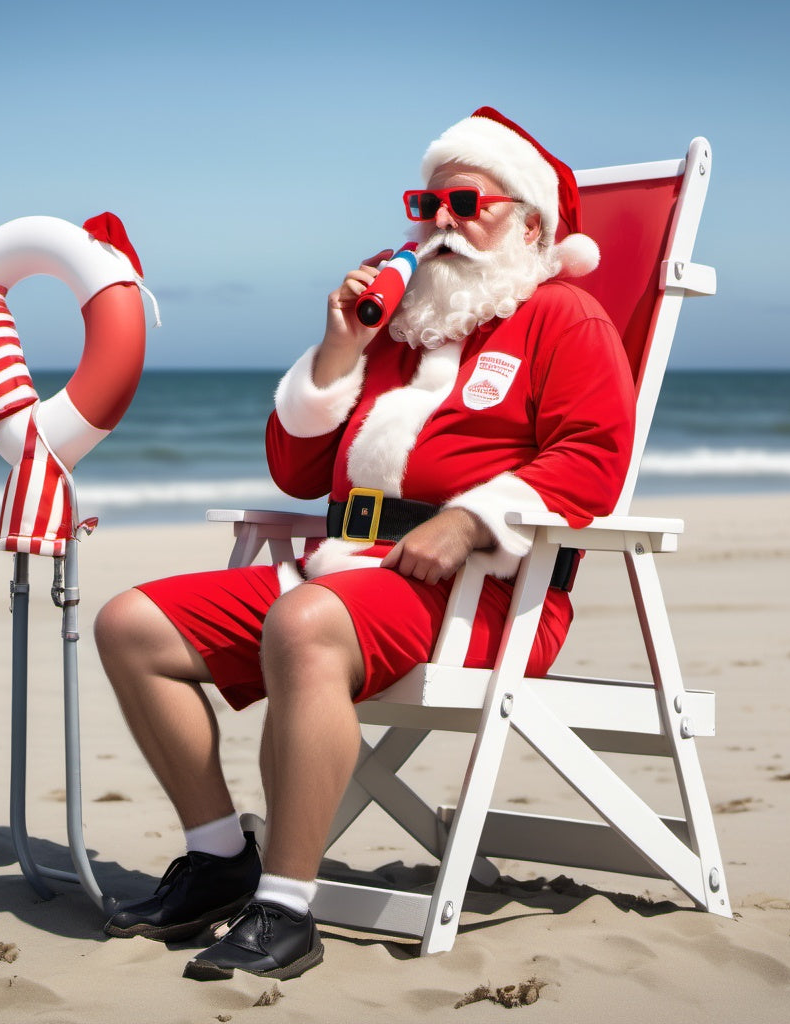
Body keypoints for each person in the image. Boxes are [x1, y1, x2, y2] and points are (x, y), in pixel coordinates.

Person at [94, 106, 636, 982]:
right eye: (427, 204)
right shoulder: (397, 330)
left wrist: (471, 518)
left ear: (531, 224)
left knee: (304, 623)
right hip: (347, 578)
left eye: (468, 202)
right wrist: (339, 346)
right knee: (131, 626)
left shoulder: (564, 317)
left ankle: (287, 908)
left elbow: (596, 459)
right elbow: (297, 469)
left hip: (487, 592)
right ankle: (220, 856)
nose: (442, 221)